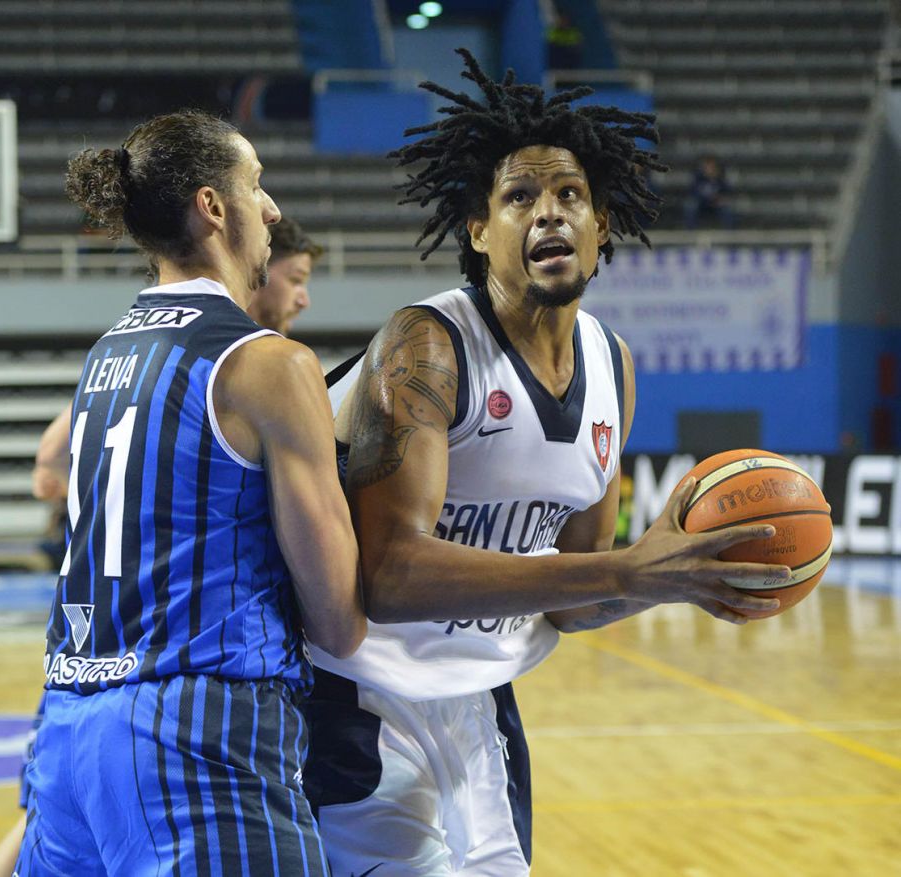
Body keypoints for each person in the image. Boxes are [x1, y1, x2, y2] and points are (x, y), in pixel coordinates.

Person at [302, 49, 790, 875]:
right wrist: (626, 570)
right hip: (357, 689)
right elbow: (388, 575)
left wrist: (673, 577)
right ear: (478, 230)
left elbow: (573, 595)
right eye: (519, 197)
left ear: (603, 226)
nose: (549, 213)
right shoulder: (427, 346)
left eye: (570, 195)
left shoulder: (613, 365)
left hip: (482, 697)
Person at [11, 109, 365, 876]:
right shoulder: (268, 363)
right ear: (213, 206)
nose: (271, 209)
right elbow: (338, 619)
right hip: (196, 732)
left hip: (68, 733)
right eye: (256, 185)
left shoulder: (106, 355)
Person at [684, 153, 734, 229]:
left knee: (727, 209)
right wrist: (708, 198)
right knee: (691, 206)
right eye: (707, 167)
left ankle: (729, 231)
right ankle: (691, 231)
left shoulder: (720, 178)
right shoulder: (698, 177)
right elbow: (693, 192)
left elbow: (727, 191)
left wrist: (722, 199)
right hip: (701, 203)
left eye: (712, 167)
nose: (710, 169)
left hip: (716, 204)